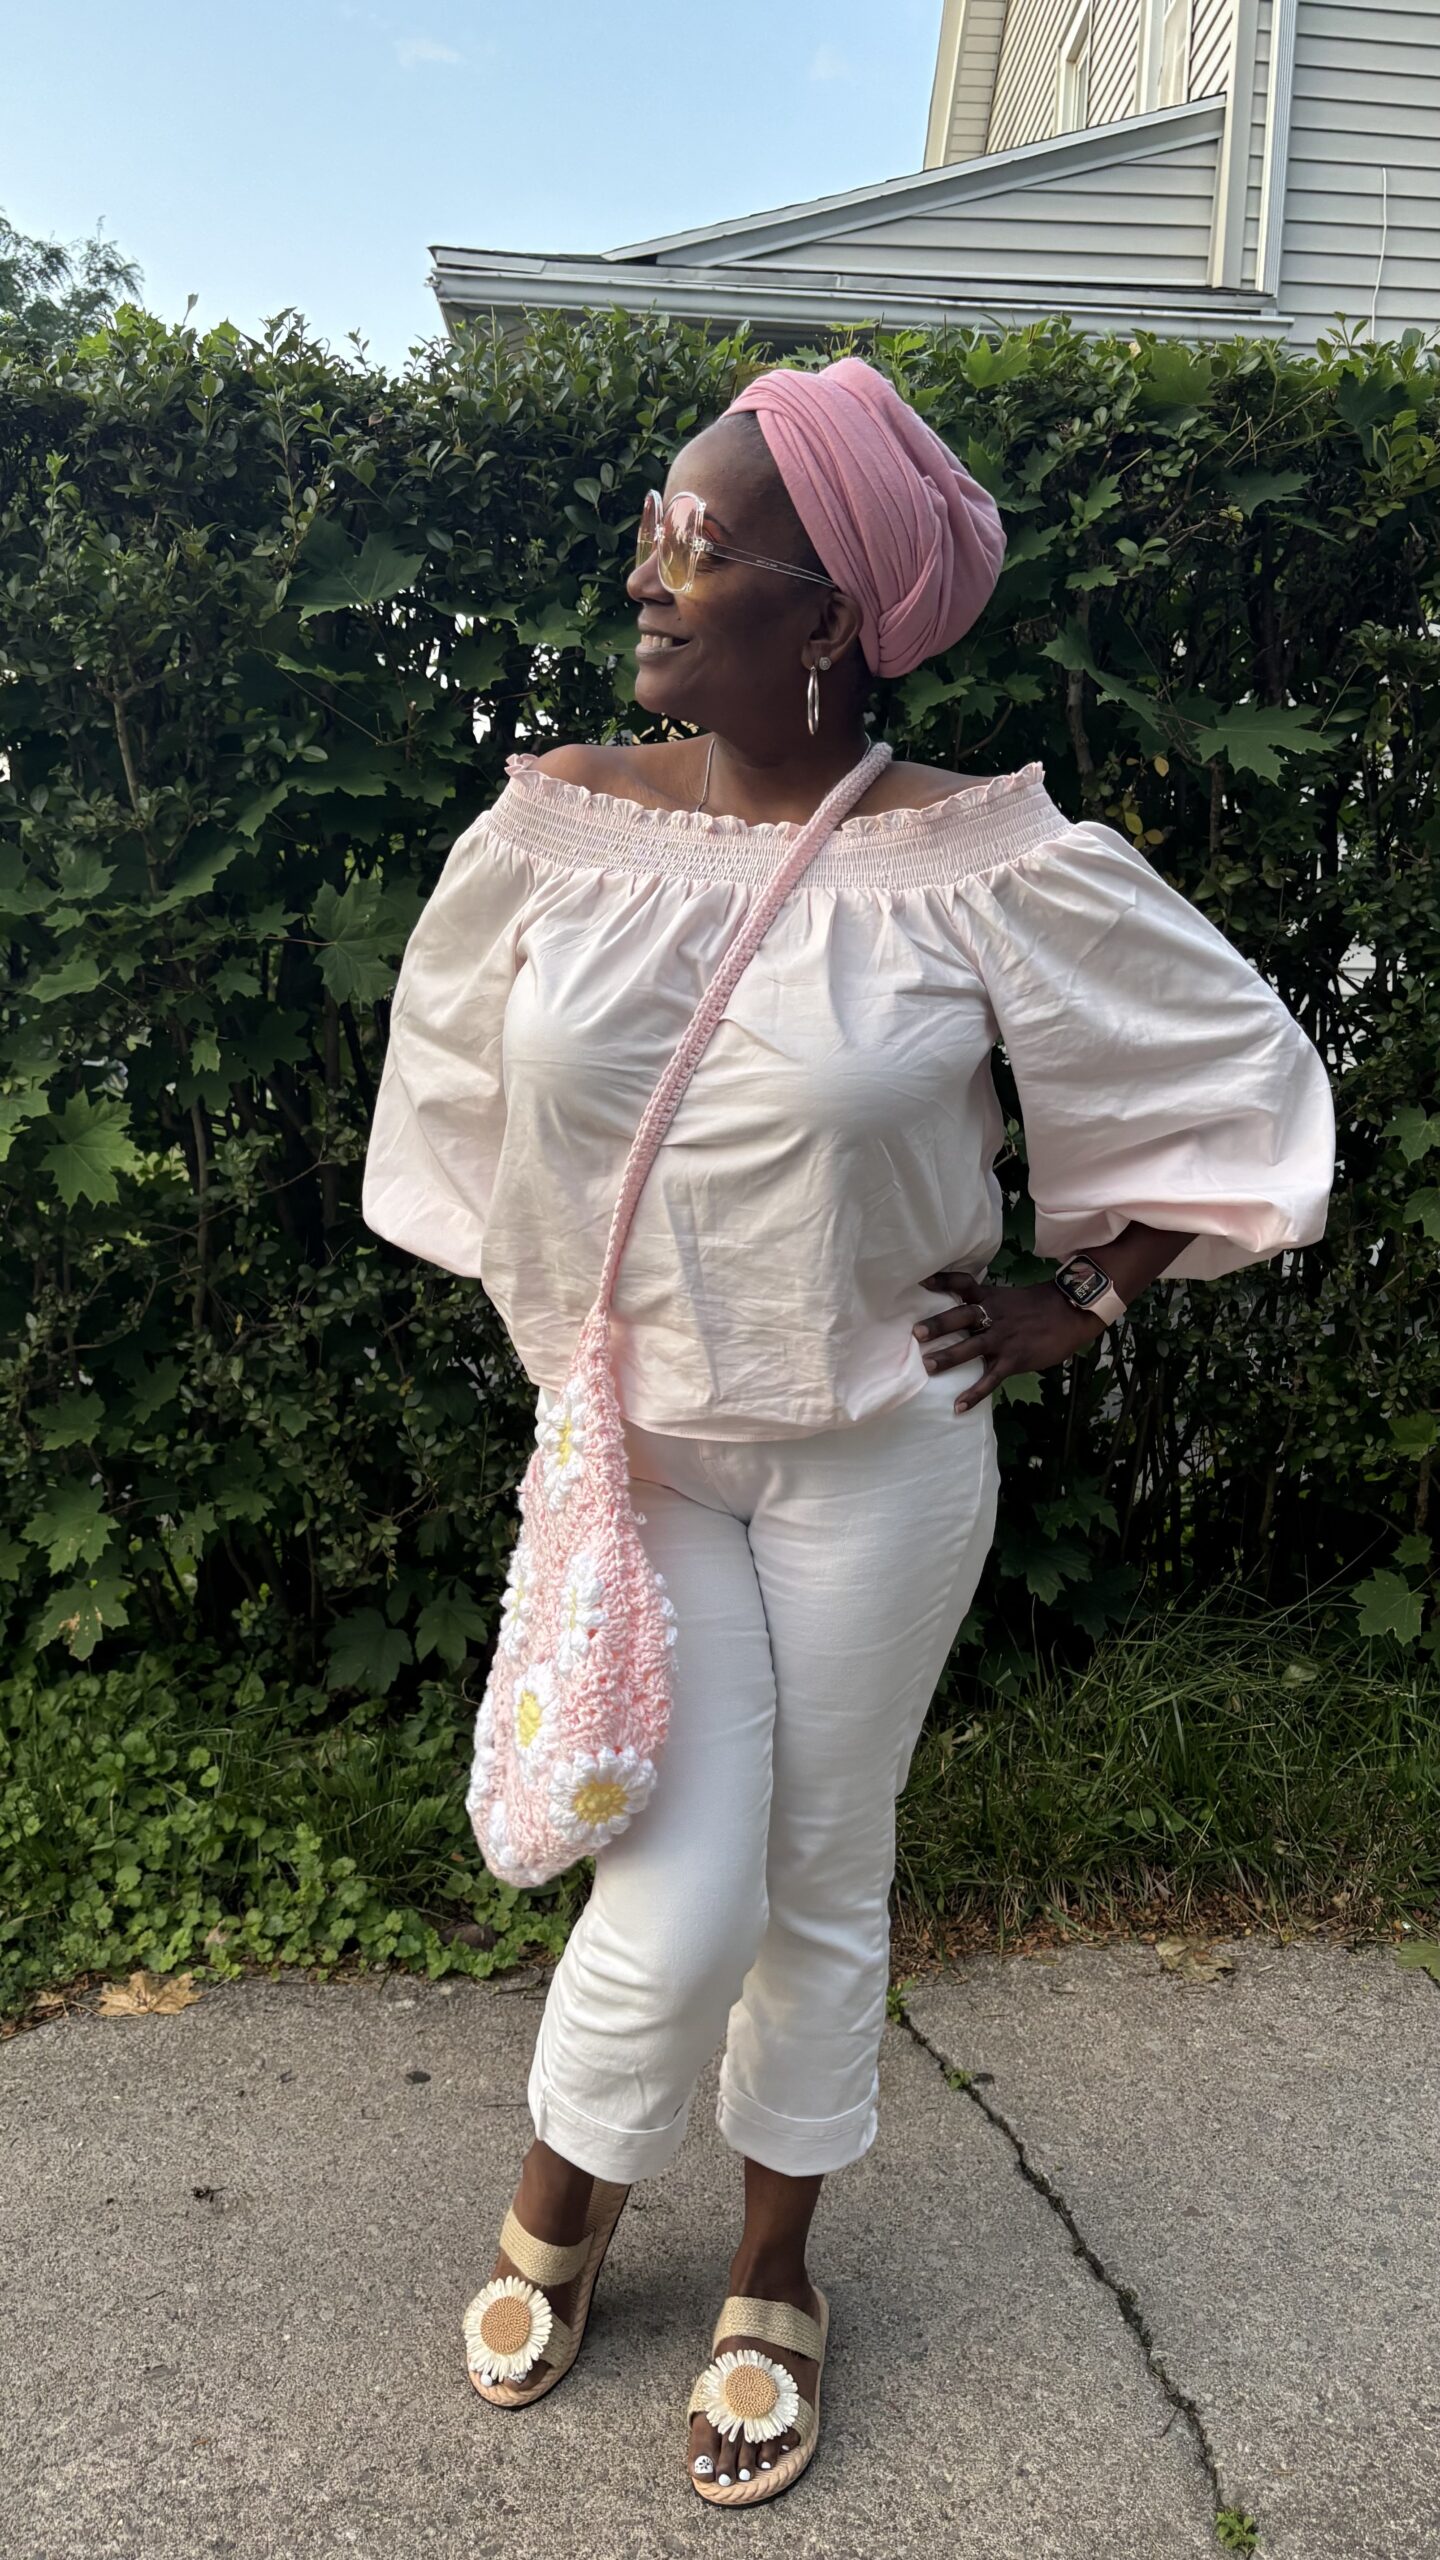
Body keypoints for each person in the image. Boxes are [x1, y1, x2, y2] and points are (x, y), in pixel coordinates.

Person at [360, 356, 1335, 2505]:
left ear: (829, 616)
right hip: (650, 1452)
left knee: (823, 1862)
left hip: (881, 1450)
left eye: (702, 543)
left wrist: (1093, 1290)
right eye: (653, 525)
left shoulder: (974, 858)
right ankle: (569, 2175)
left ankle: (772, 2264)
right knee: (682, 1876)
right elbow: (458, 1095)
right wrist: (562, 1333)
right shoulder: (560, 823)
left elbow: (1238, 1070)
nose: (649, 572)